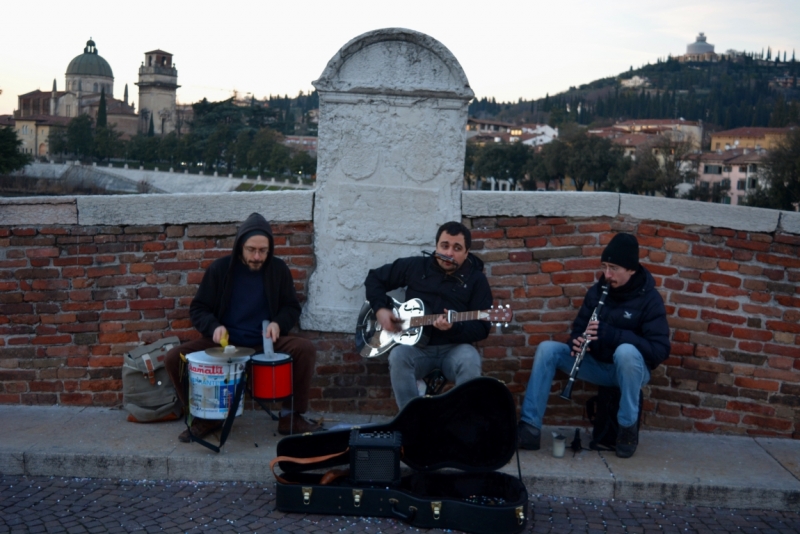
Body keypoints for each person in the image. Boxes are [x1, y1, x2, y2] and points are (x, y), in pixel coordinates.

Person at [164, 212, 321, 441]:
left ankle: (290, 416)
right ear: (240, 246)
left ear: (270, 250)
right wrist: (214, 326)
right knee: (173, 357)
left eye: (262, 251)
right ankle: (205, 417)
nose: (257, 257)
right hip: (225, 344)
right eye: (251, 250)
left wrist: (278, 323)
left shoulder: (278, 270)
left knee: (304, 348)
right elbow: (198, 309)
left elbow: (291, 307)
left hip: (264, 343)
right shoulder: (220, 270)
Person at [518, 233, 670, 458]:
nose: (607, 275)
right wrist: (576, 344)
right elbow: (579, 330)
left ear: (631, 269)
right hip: (598, 366)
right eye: (605, 267)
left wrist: (614, 335)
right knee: (547, 350)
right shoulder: (598, 291)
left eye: (614, 268)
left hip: (630, 371)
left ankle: (627, 430)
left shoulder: (650, 299)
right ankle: (529, 427)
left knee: (626, 352)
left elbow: (659, 351)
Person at [364, 221, 493, 410]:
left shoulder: (476, 280)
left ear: (466, 253)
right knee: (398, 356)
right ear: (436, 246)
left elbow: (482, 328)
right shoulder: (416, 267)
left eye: (457, 248)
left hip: (454, 349)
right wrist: (381, 309)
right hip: (417, 349)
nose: (449, 253)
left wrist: (454, 327)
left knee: (470, 359)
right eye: (445, 245)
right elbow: (374, 278)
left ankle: (462, 423)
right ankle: (410, 422)